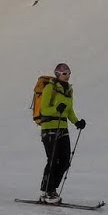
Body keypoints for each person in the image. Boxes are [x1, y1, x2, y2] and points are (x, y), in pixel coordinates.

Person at [36, 62, 87, 203]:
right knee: (52, 160)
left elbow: (69, 110)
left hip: (63, 127)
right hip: (49, 128)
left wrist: (76, 122)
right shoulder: (49, 88)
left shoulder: (69, 90)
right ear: (58, 74)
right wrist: (57, 109)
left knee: (65, 161)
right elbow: (44, 110)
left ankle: (52, 189)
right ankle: (46, 191)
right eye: (65, 74)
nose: (67, 76)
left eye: (69, 73)